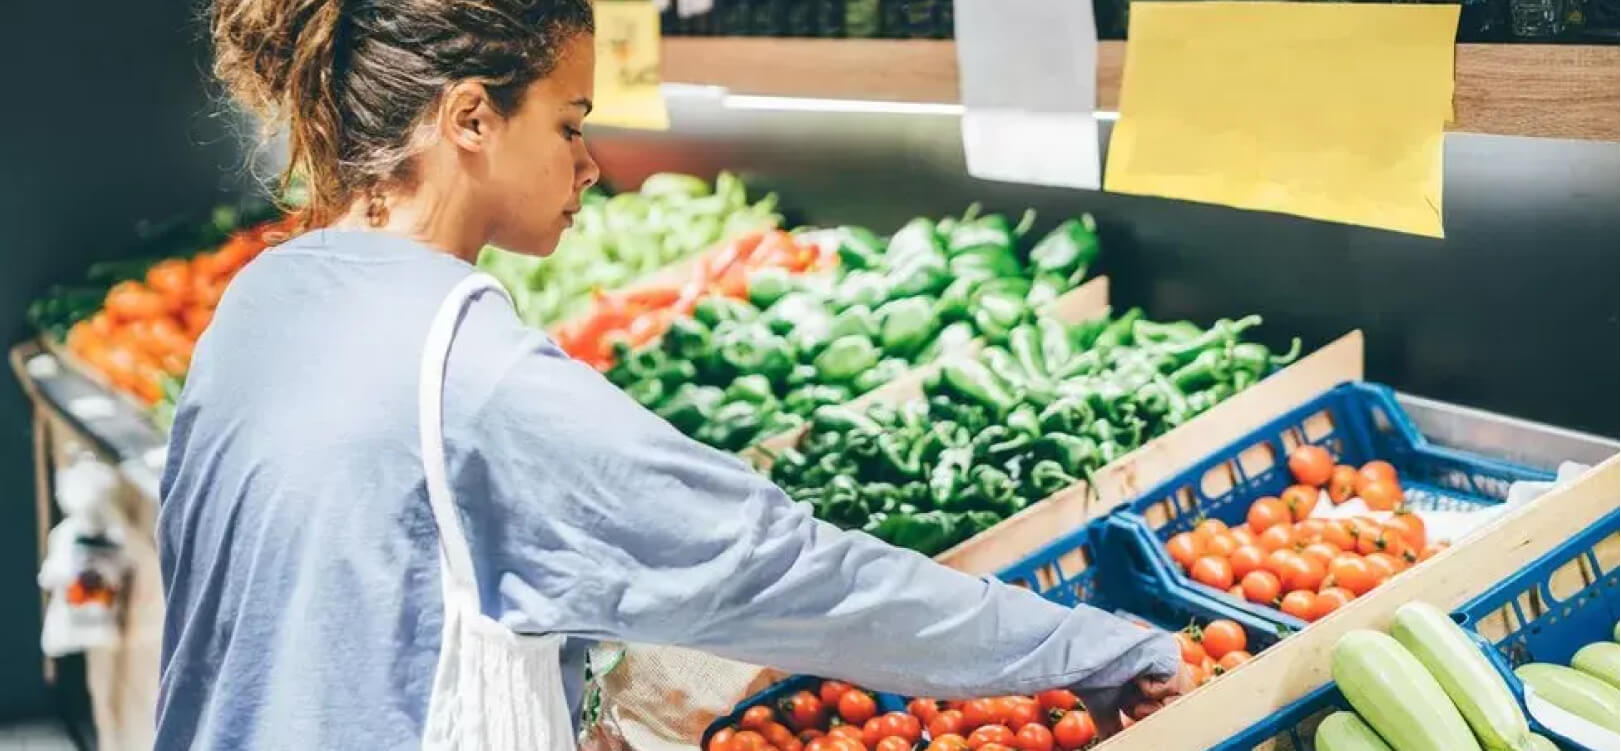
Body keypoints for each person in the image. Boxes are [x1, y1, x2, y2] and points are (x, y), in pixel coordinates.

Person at [157, 1, 1191, 748]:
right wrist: (1083, 648)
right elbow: (788, 572)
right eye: (568, 122)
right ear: (470, 118)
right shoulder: (473, 375)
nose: (591, 162)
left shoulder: (262, 299)